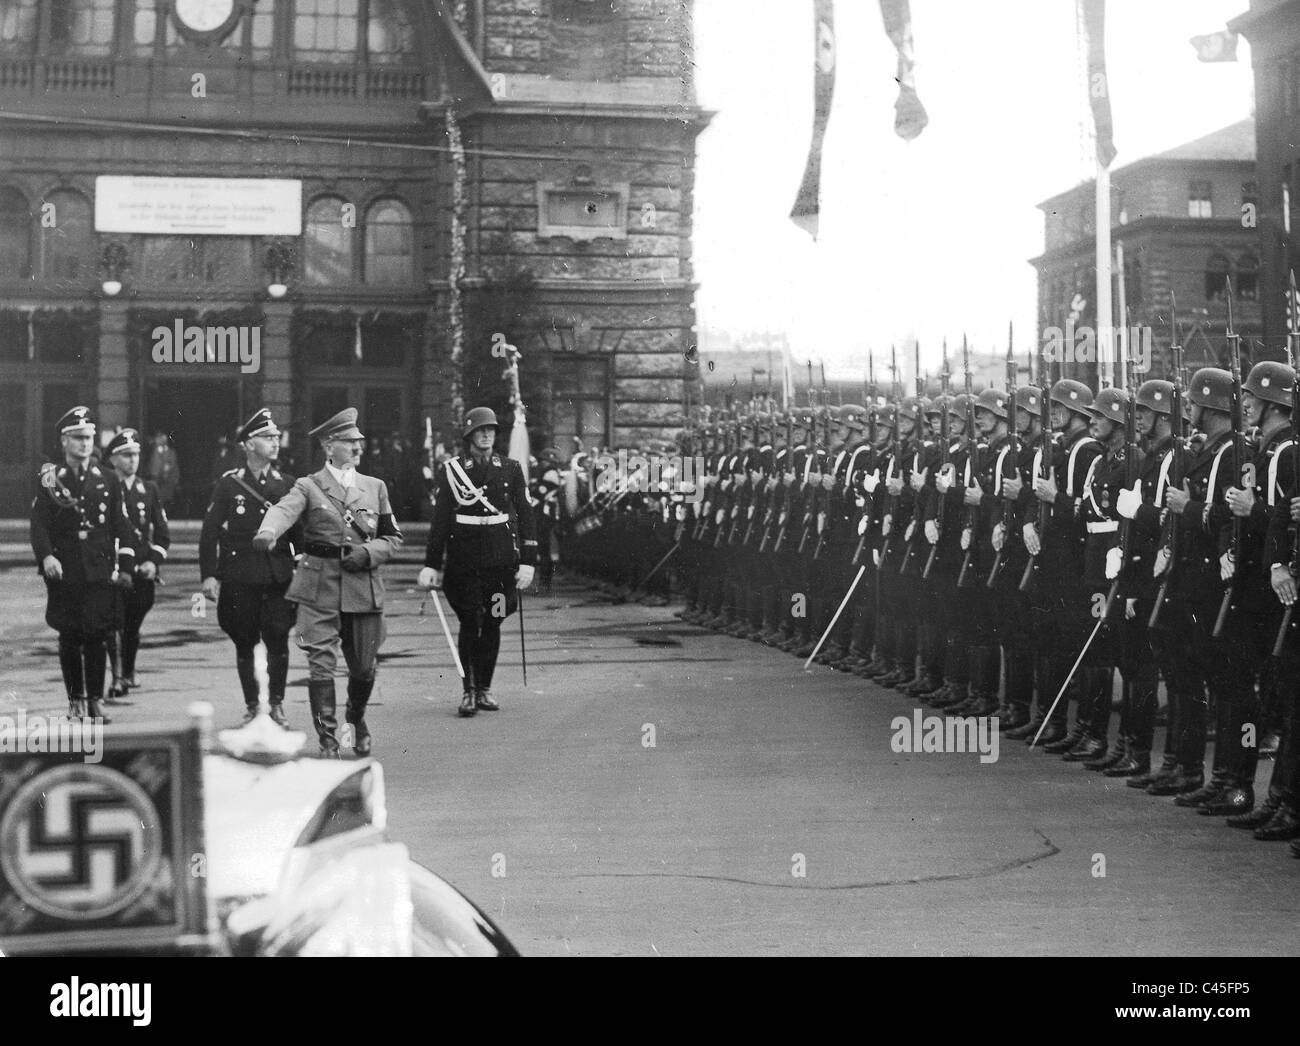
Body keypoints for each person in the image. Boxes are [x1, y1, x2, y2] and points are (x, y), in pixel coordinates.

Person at [252, 408, 403, 756]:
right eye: (350, 442)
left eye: (359, 442)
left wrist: (369, 553)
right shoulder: (308, 485)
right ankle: (328, 738)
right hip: (319, 584)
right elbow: (284, 509)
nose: (358, 448)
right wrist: (268, 531)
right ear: (328, 445)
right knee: (320, 664)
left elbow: (392, 537)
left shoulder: (374, 488)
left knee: (364, 668)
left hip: (362, 585)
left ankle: (356, 716)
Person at [419, 407, 538, 717]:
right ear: (469, 436)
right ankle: (468, 690)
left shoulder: (510, 468)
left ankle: (484, 687)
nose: (487, 435)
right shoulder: (453, 470)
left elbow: (525, 514)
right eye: (480, 431)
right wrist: (432, 563)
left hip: (500, 561)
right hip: (465, 561)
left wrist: (528, 561)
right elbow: (441, 520)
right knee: (471, 621)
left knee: (494, 620)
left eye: (491, 430)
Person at [29, 406, 135, 721]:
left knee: (97, 635)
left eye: (88, 438)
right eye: (77, 438)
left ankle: (95, 701)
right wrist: (46, 555)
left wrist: (126, 566)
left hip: (99, 568)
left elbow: (121, 525)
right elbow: (39, 524)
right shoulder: (51, 479)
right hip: (65, 569)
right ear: (64, 441)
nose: (85, 444)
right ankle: (76, 701)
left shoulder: (108, 478)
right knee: (70, 636)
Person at [199, 409, 300, 727]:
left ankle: (277, 704)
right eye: (267, 437)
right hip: (240, 576)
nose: (275, 442)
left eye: (276, 437)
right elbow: (209, 532)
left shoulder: (287, 484)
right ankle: (254, 705)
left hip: (277, 577)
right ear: (248, 444)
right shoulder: (229, 485)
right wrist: (209, 575)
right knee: (244, 641)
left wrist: (301, 570)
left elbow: (300, 533)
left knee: (279, 641)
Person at [104, 428, 170, 700]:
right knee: (114, 623)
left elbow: (163, 534)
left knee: (132, 624)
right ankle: (118, 677)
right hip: (114, 568)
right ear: (113, 459)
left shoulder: (149, 489)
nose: (133, 460)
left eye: (136, 455)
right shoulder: (105, 487)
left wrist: (154, 563)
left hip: (142, 570)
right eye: (126, 455)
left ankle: (128, 671)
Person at [146, 431, 181, 511]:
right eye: (158, 437)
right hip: (155, 482)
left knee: (166, 504)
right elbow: (150, 467)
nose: (160, 439)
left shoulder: (171, 453)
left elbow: (174, 468)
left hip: (167, 484)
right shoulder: (152, 451)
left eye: (162, 437)